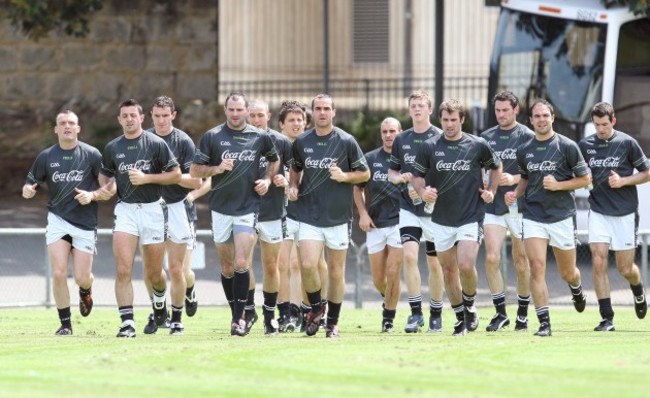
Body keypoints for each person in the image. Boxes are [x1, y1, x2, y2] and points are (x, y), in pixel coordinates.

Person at [190, 92, 279, 337]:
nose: (236, 114)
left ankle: (239, 318)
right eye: (232, 110)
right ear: (226, 110)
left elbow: (274, 159)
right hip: (220, 209)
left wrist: (267, 180)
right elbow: (195, 170)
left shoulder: (259, 136)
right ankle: (238, 312)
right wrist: (217, 168)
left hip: (247, 207)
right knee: (227, 267)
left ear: (246, 112)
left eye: (240, 110)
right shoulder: (213, 136)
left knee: (242, 262)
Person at [412, 98, 502, 336]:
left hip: (470, 216)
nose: (449, 124)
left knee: (465, 264)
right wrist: (423, 192)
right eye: (445, 120)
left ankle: (470, 303)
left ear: (462, 120)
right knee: (449, 271)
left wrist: (492, 191)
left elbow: (496, 166)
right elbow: (417, 176)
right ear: (439, 120)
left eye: (453, 120)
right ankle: (460, 316)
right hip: (440, 219)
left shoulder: (477, 145)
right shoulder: (429, 146)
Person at [23, 110, 115, 336]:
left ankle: (86, 290)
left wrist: (92, 195)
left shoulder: (92, 154)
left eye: (71, 123)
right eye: (62, 123)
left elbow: (110, 187)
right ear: (55, 129)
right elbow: (29, 185)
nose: (67, 126)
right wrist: (27, 191)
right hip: (57, 220)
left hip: (85, 223)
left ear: (78, 128)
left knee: (82, 277)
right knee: (58, 273)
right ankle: (65, 324)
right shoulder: (46, 156)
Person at [505, 98, 591, 337]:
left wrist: (559, 185)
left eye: (545, 115)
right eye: (537, 116)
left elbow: (585, 179)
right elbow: (525, 178)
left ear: (552, 118)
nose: (541, 120)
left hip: (561, 216)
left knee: (568, 272)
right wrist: (515, 193)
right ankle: (544, 322)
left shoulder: (567, 146)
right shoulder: (524, 149)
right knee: (536, 266)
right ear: (530, 120)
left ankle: (576, 288)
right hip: (533, 215)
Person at [288, 93, 370, 338]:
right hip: (309, 214)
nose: (322, 112)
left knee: (336, 272)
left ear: (333, 112)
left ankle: (333, 322)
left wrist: (345, 177)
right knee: (307, 264)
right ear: (312, 112)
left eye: (326, 108)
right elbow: (295, 168)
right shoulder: (302, 141)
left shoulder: (346, 141)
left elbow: (364, 174)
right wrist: (293, 186)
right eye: (318, 108)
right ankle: (316, 308)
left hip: (338, 216)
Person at [99, 99, 181, 338]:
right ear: (119, 119)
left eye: (133, 115)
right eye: (124, 116)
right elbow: (105, 175)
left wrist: (147, 178)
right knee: (123, 269)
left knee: (155, 274)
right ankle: (127, 323)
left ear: (141, 118)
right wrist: (107, 187)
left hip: (153, 209)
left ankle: (159, 302)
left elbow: (175, 174)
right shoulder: (113, 147)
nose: (129, 119)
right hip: (125, 210)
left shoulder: (155, 144)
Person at [578, 101, 649, 331]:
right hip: (598, 210)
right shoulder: (585, 145)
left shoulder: (627, 143)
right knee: (598, 262)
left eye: (605, 124)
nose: (601, 129)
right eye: (597, 124)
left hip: (625, 212)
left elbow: (647, 173)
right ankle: (607, 317)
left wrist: (624, 181)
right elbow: (577, 171)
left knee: (625, 268)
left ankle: (638, 290)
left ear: (613, 121)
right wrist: (583, 176)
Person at [142, 96, 206, 335]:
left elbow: (196, 181)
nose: (160, 121)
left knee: (178, 270)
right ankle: (158, 309)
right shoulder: (143, 139)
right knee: (152, 269)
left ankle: (178, 316)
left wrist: (170, 176)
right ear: (151, 115)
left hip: (178, 206)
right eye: (156, 116)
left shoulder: (183, 142)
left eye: (165, 116)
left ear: (173, 116)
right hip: (150, 208)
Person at [387, 90, 448, 333]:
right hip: (408, 208)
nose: (417, 109)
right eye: (413, 105)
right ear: (409, 110)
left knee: (435, 264)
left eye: (422, 105)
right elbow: (392, 172)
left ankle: (436, 313)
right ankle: (415, 314)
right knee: (410, 257)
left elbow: (449, 173)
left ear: (430, 110)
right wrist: (401, 178)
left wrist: (428, 190)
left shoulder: (441, 137)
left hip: (435, 211)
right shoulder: (402, 139)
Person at [479, 91, 534, 331]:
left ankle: (522, 313)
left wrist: (514, 178)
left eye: (505, 110)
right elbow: (478, 169)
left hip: (520, 207)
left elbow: (537, 172)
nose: (500, 114)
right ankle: (501, 313)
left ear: (516, 110)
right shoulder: (485, 138)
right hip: (493, 206)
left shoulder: (528, 136)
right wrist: (485, 185)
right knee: (491, 258)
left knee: (521, 261)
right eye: (497, 110)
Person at [246, 99, 294, 335]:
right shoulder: (239, 140)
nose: (256, 120)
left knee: (271, 265)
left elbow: (296, 174)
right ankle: (248, 310)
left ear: (269, 115)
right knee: (243, 264)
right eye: (252, 115)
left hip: (273, 212)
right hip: (244, 211)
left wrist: (285, 182)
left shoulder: (282, 142)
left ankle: (269, 315)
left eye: (260, 115)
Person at [354, 117, 403, 332]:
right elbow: (358, 188)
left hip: (401, 222)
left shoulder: (408, 159)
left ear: (400, 132)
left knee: (394, 271)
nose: (389, 135)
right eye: (385, 131)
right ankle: (389, 298)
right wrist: (363, 214)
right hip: (375, 224)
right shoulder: (370, 158)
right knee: (378, 279)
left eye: (392, 131)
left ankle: (388, 319)